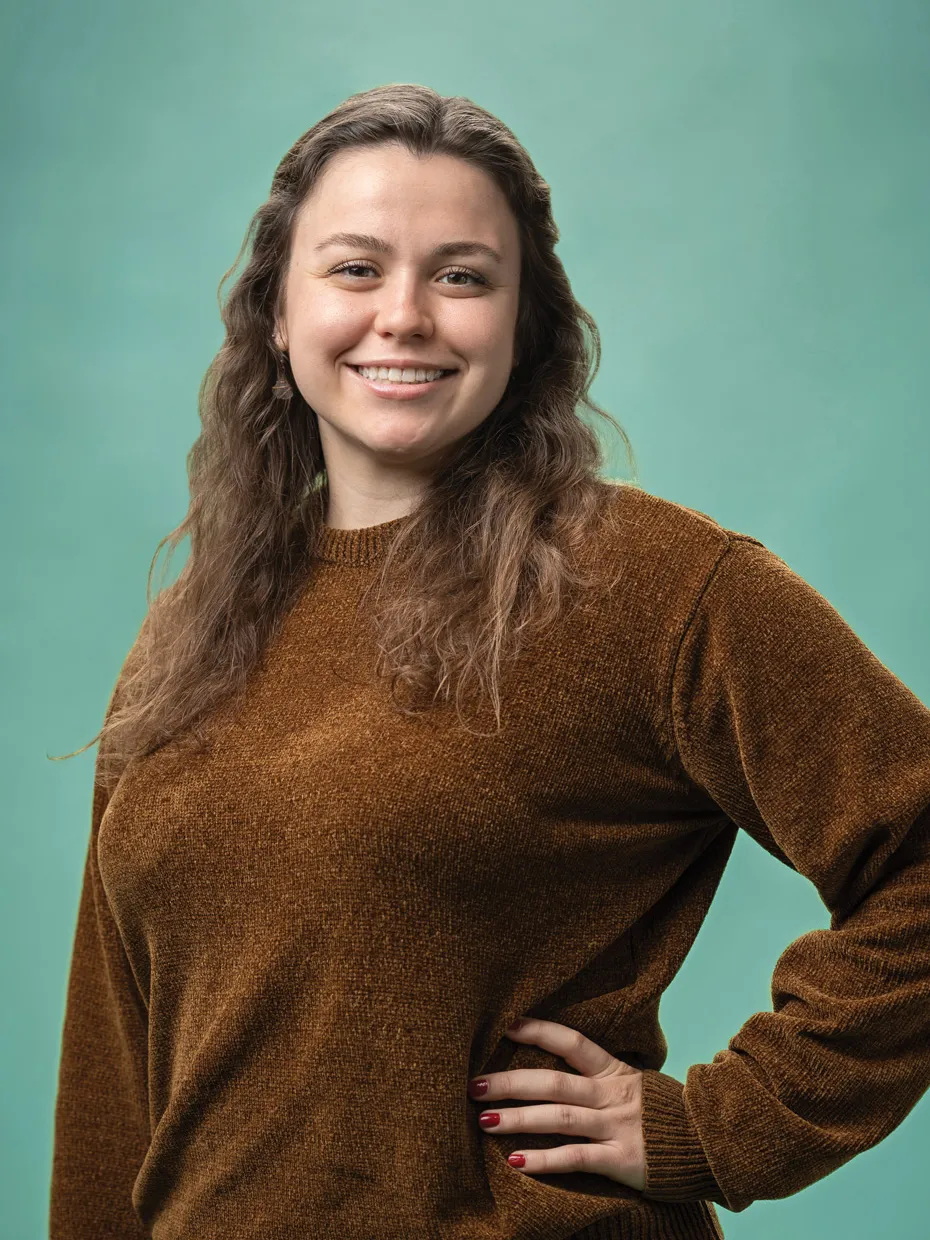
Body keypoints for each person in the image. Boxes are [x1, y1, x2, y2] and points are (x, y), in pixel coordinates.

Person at [49, 83, 930, 1240]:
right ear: (275, 309)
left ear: (526, 323)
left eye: (461, 276)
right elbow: (116, 1059)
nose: (404, 316)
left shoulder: (650, 583)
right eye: (356, 268)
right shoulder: (192, 630)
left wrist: (726, 1122)